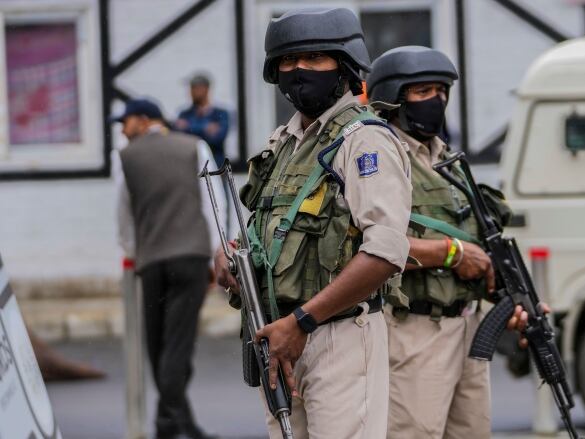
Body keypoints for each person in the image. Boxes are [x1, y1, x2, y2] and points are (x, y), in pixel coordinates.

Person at [214, 8, 411, 439]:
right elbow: (270, 234)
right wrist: (233, 257)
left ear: (343, 65)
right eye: (287, 61)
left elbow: (385, 253)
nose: (298, 70)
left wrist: (302, 321)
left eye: (315, 58)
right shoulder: (285, 144)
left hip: (337, 334)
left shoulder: (365, 141)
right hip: (279, 339)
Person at [367, 46, 537, 438]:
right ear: (393, 97)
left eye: (441, 91)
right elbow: (369, 244)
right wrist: (451, 254)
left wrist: (514, 298)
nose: (436, 101)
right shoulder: (380, 156)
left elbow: (482, 241)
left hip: (468, 326)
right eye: (423, 91)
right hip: (416, 329)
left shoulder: (446, 159)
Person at [114, 98, 224, 439]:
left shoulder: (125, 158)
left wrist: (135, 252)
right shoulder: (195, 146)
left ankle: (178, 423)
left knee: (159, 346)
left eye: (125, 121)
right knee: (177, 345)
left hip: (150, 262)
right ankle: (169, 423)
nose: (121, 129)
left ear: (144, 120)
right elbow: (213, 202)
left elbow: (124, 214)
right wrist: (214, 257)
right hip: (190, 257)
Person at [175, 74, 230, 166]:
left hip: (215, 167)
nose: (191, 92)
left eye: (195, 87)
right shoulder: (184, 114)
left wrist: (188, 126)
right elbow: (179, 138)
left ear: (206, 89)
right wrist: (206, 127)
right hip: (191, 166)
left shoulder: (220, 113)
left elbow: (218, 138)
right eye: (191, 88)